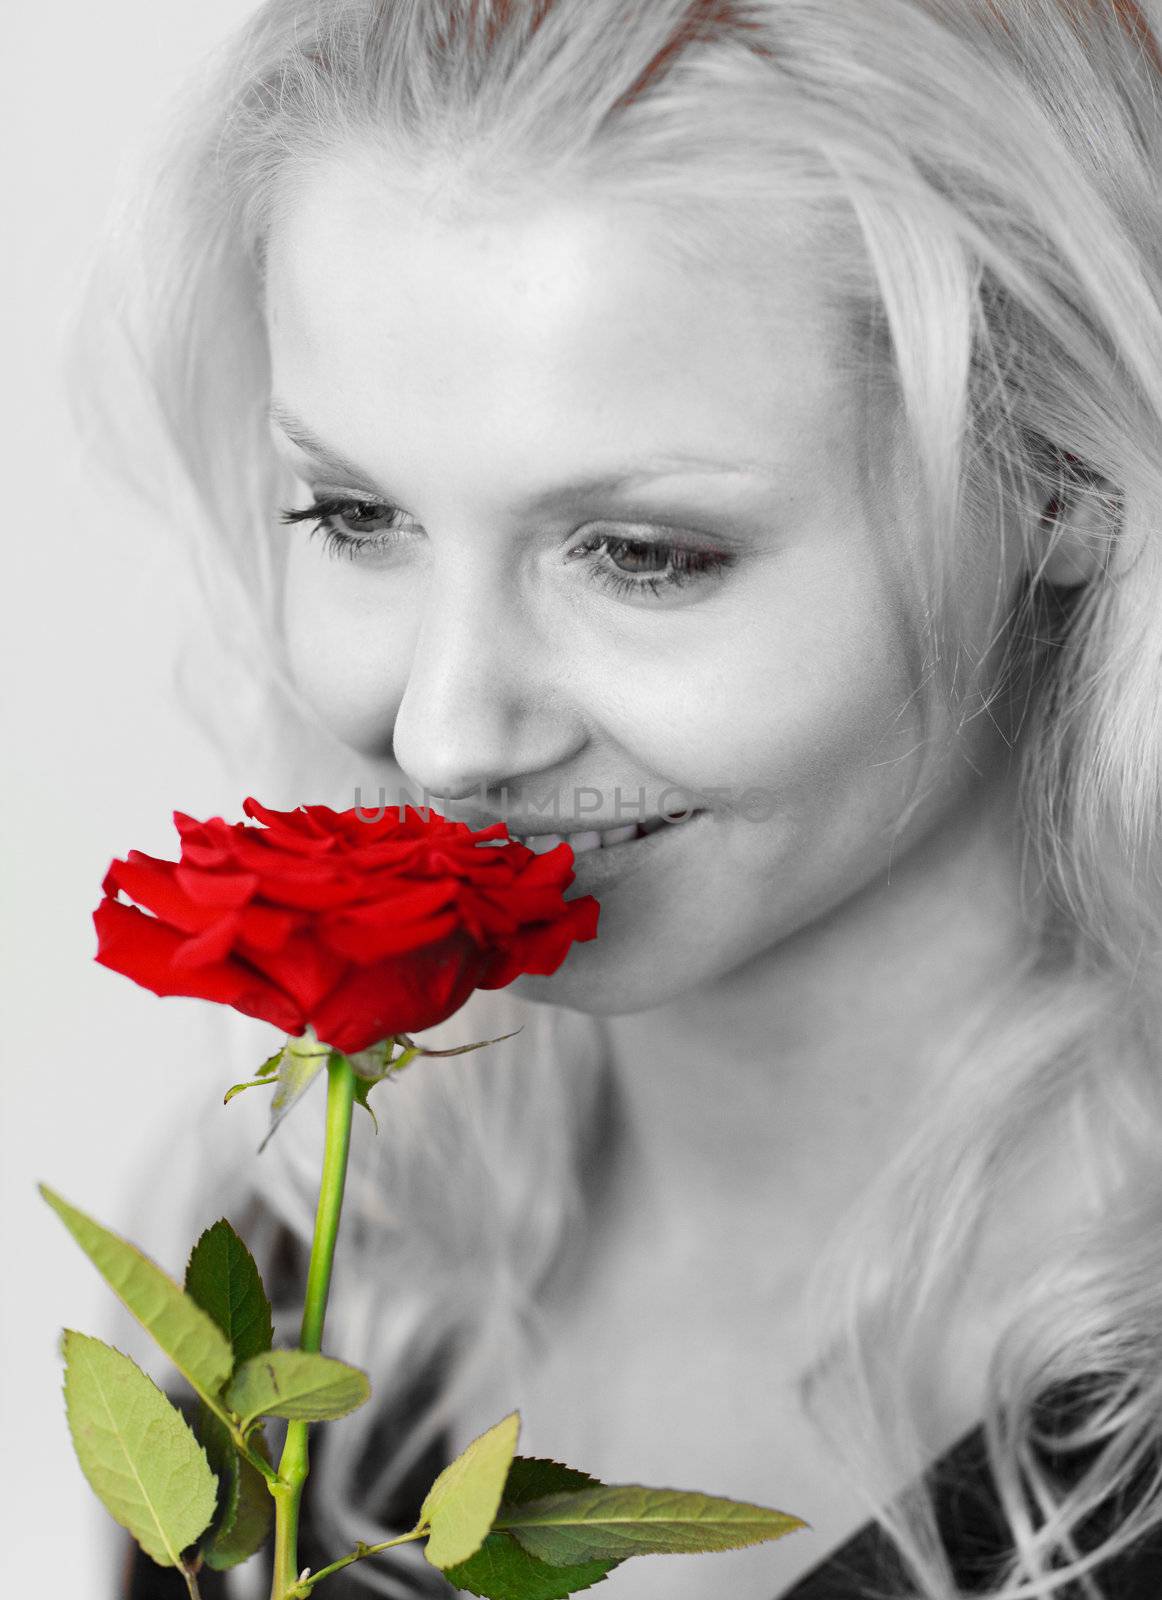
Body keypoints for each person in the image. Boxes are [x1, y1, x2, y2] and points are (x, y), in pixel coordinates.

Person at [70, 1, 1162, 1597]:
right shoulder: (313, 1270)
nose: (445, 734)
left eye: (643, 556)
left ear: (1066, 477)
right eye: (355, 514)